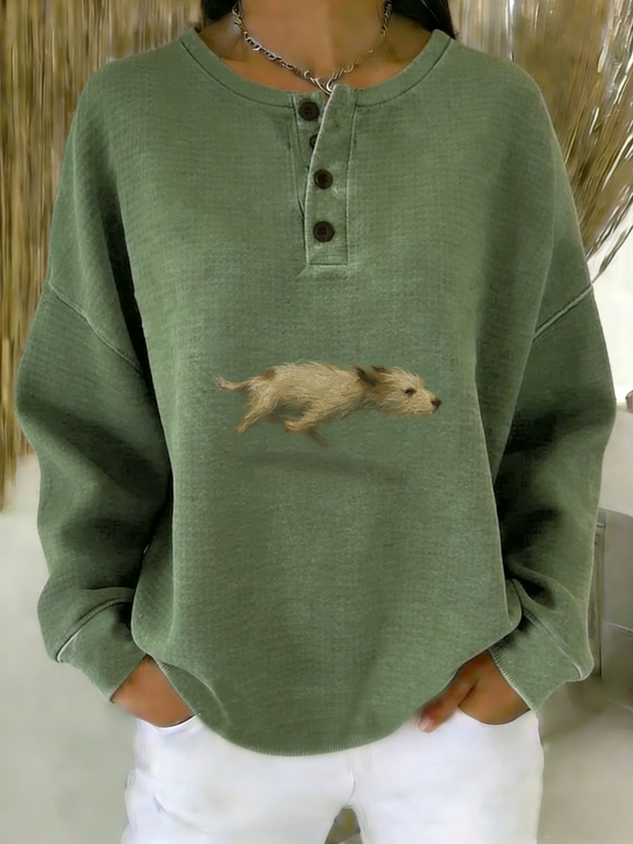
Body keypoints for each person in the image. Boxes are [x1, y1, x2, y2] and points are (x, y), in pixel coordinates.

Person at [14, 0, 617, 842]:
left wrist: (539, 645)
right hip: (212, 700)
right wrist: (101, 638)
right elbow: (87, 401)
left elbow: (556, 400)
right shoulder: (134, 113)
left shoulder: (494, 112)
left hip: (456, 706)